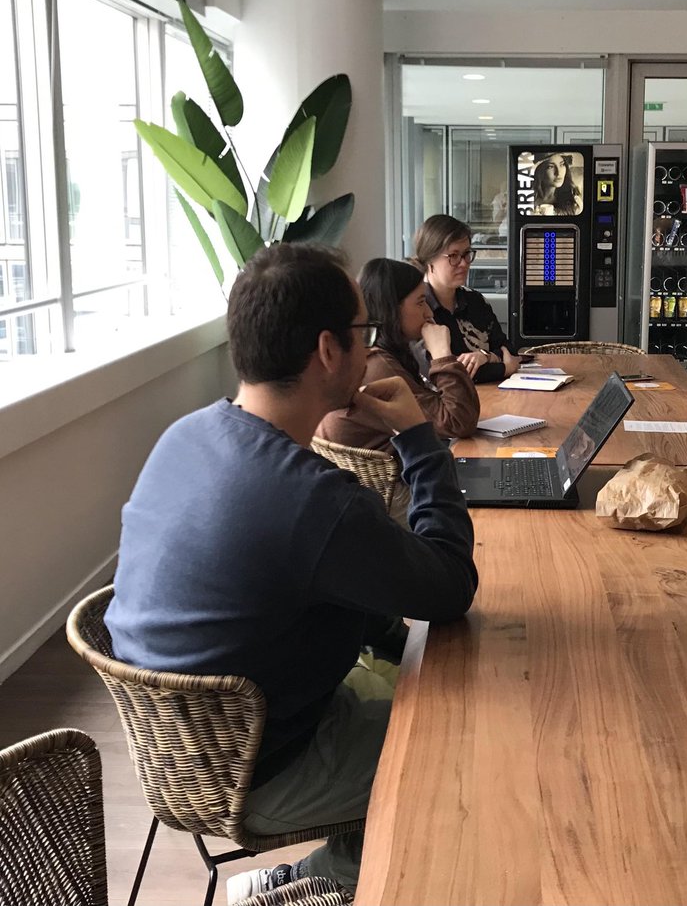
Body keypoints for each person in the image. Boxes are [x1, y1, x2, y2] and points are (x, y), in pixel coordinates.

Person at [103, 243, 478, 898]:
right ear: (329, 351)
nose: (372, 346)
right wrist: (418, 435)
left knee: (415, 677)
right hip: (255, 764)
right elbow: (451, 587)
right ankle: (319, 884)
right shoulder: (311, 500)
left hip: (178, 744)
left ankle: (304, 876)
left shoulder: (186, 434)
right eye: (364, 332)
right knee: (464, 743)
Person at [317, 257, 480, 447]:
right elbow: (458, 423)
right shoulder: (376, 365)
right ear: (391, 308)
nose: (429, 313)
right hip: (394, 476)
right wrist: (442, 354)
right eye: (420, 302)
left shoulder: (386, 353)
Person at [412, 214, 520, 384]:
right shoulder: (418, 308)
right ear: (429, 259)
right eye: (453, 256)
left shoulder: (475, 300)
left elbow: (510, 351)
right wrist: (505, 368)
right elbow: (448, 373)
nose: (464, 263)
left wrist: (485, 356)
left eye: (466, 254)